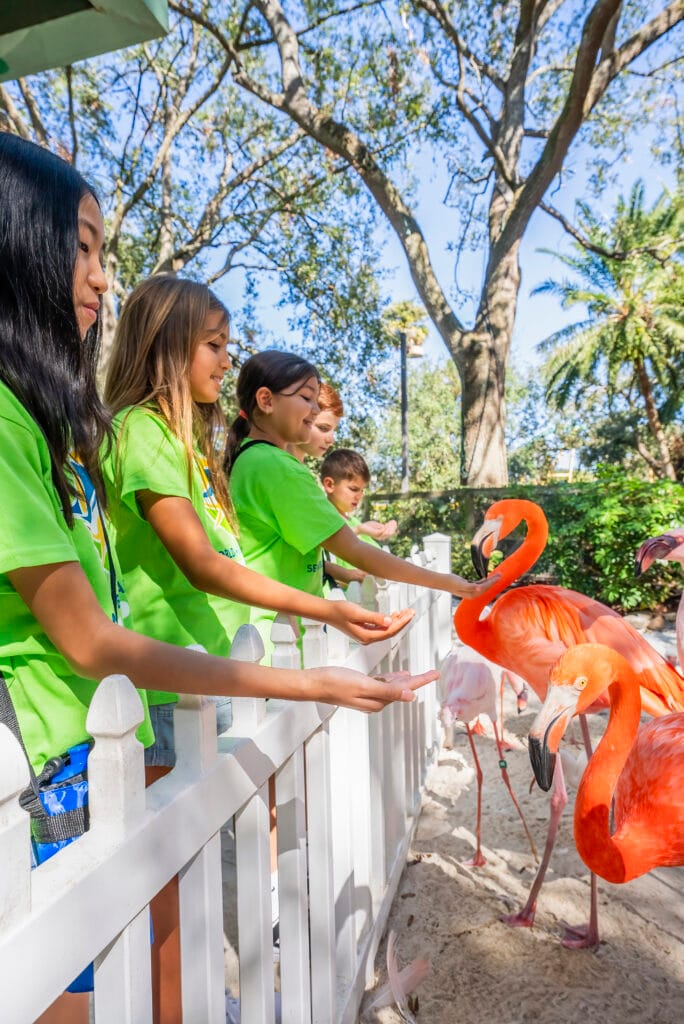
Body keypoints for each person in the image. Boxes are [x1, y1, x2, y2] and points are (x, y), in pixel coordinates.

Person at [0, 132, 436, 1024]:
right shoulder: (61, 427)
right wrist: (304, 660)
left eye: (103, 255)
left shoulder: (53, 423)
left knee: (163, 945)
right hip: (57, 750)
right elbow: (94, 628)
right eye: (79, 246)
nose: (99, 279)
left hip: (93, 733)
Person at [102, 274, 413, 767]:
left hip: (215, 659)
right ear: (167, 344)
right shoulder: (142, 430)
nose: (227, 361)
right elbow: (203, 565)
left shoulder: (179, 439)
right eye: (213, 345)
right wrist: (327, 610)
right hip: (175, 675)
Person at [225, 350, 498, 656]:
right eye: (306, 397)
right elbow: (354, 550)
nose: (315, 410)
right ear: (266, 400)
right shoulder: (277, 467)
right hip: (278, 641)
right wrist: (448, 582)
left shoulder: (250, 458)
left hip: (267, 636)